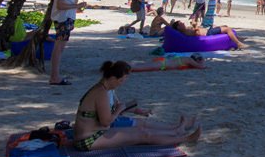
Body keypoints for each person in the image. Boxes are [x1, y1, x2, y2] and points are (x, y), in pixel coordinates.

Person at [71, 60, 200, 151]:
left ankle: (176, 131)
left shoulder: (105, 89)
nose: (122, 83)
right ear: (112, 78)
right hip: (88, 140)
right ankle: (185, 138)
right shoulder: (100, 93)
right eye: (121, 80)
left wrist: (133, 109)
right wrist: (118, 110)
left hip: (96, 133)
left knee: (142, 130)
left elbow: (115, 108)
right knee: (143, 135)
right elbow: (106, 122)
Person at [46, 0, 89, 85]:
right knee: (59, 48)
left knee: (60, 47)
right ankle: (54, 77)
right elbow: (60, 5)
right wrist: (77, 5)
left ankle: (55, 75)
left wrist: (74, 9)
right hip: (63, 19)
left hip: (65, 19)